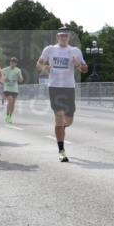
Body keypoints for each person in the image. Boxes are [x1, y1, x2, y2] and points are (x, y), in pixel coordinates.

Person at [37, 28, 88, 162]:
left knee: (68, 121)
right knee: (59, 116)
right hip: (54, 87)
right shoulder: (49, 50)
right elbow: (38, 64)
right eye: (61, 35)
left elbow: (85, 68)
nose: (64, 38)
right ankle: (61, 151)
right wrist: (44, 68)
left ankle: (59, 129)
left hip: (69, 88)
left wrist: (78, 65)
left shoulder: (75, 51)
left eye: (66, 35)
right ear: (57, 37)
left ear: (69, 37)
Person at [1, 57, 24, 123]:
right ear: (10, 63)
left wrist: (20, 78)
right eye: (11, 62)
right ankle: (7, 116)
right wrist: (4, 78)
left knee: (13, 103)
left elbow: (21, 79)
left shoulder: (18, 70)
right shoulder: (5, 69)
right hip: (7, 88)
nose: (13, 64)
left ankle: (10, 117)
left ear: (16, 64)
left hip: (15, 89)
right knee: (10, 100)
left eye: (14, 63)